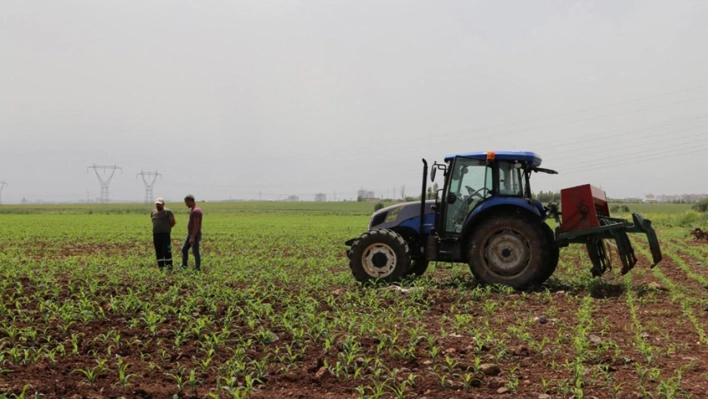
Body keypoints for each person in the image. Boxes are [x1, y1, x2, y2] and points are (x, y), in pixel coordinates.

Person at [151, 197, 176, 271]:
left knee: (166, 250)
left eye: (160, 204)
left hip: (165, 235)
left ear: (163, 204)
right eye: (157, 204)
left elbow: (173, 222)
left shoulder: (168, 212)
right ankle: (161, 267)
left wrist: (167, 228)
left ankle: (169, 267)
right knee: (158, 251)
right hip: (156, 234)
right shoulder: (153, 212)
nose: (158, 206)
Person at [181, 194, 203, 270]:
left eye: (186, 202)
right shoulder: (194, 210)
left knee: (195, 251)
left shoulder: (196, 211)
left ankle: (197, 267)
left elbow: (196, 225)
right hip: (191, 234)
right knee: (184, 249)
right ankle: (184, 266)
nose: (186, 204)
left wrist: (192, 237)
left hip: (194, 234)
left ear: (190, 201)